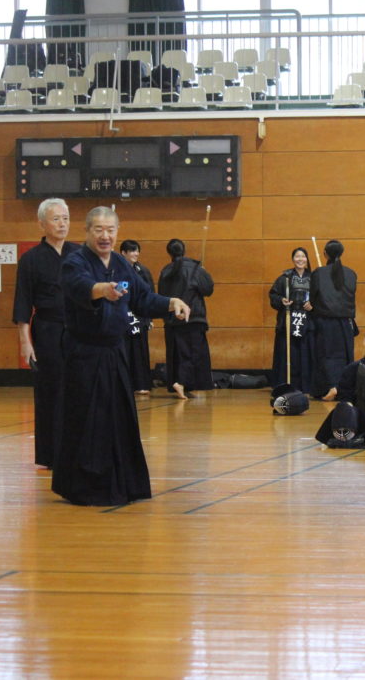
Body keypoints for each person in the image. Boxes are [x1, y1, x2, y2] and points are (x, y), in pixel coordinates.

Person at [54, 207, 190, 506]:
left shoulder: (120, 263)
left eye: (110, 230)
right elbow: (79, 287)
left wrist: (171, 302)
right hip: (84, 354)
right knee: (87, 419)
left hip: (115, 352)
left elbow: (142, 298)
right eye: (98, 230)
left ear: (117, 232)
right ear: (87, 231)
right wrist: (102, 289)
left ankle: (122, 483)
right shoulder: (74, 262)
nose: (105, 236)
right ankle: (84, 487)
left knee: (118, 419)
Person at [12, 198, 81, 469]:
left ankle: (77, 451)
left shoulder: (80, 254)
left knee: (79, 388)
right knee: (50, 390)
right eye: (56, 219)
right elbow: (23, 301)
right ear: (42, 224)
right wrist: (25, 341)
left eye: (65, 218)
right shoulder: (31, 259)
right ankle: (50, 454)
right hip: (47, 330)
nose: (62, 224)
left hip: (78, 330)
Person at [157, 238, 215, 399]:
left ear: (169, 253)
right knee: (193, 353)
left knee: (176, 353)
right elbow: (208, 289)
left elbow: (161, 294)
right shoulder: (195, 268)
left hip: (171, 318)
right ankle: (182, 382)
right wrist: (204, 273)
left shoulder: (165, 270)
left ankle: (180, 382)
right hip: (192, 317)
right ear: (184, 250)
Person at [310, 240, 358, 400]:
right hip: (346, 323)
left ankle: (332, 386)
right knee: (345, 355)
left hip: (325, 321)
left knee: (327, 354)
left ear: (325, 254)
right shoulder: (351, 273)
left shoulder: (318, 273)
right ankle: (343, 388)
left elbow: (312, 298)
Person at [269, 247, 313, 392]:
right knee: (287, 352)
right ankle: (285, 384)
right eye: (297, 256)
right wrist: (281, 300)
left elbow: (321, 298)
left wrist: (312, 305)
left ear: (307, 259)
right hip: (288, 321)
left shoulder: (314, 278)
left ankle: (306, 386)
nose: (300, 259)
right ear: (293, 259)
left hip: (307, 322)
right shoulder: (285, 278)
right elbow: (273, 295)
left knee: (306, 353)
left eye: (303, 256)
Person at [119, 239, 155, 395]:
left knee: (140, 351)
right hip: (123, 316)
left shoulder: (143, 271)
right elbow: (116, 292)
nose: (136, 254)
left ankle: (142, 384)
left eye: (137, 250)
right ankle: (124, 384)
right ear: (123, 253)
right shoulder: (117, 270)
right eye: (132, 251)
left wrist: (150, 317)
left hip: (140, 316)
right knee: (125, 351)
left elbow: (150, 294)